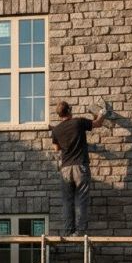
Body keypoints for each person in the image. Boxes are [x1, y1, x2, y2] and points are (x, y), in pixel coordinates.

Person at [50, 100, 105, 236]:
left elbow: (56, 148)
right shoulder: (78, 122)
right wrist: (102, 113)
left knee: (67, 201)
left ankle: (69, 231)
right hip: (80, 167)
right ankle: (80, 232)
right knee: (81, 199)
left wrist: (64, 140)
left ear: (59, 114)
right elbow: (98, 123)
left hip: (65, 169)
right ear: (69, 111)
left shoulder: (56, 130)